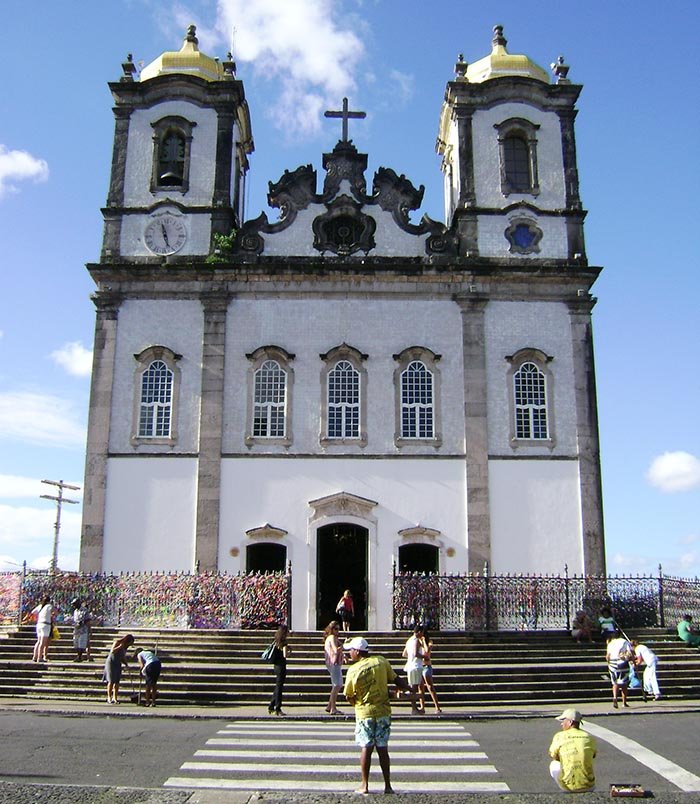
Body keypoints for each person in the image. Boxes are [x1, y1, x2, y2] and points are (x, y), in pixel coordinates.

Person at [343, 636, 410, 795]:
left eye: (351, 651)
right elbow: (396, 679)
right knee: (382, 748)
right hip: (383, 712)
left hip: (364, 713)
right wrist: (410, 689)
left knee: (366, 747)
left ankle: (365, 785)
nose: (349, 654)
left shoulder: (353, 670)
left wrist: (357, 703)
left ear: (357, 652)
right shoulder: (381, 661)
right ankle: (388, 786)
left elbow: (348, 695)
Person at [548, 707, 597, 793]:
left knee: (554, 764)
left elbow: (553, 756)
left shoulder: (559, 736)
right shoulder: (588, 737)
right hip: (589, 786)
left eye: (563, 720)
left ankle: (566, 787)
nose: (561, 724)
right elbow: (593, 755)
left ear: (570, 722)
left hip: (567, 787)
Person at [104, 633, 134, 704]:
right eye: (130, 643)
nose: (129, 645)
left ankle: (115, 698)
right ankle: (109, 697)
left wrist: (126, 664)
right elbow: (112, 651)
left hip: (118, 663)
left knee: (117, 681)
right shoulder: (117, 642)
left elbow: (123, 657)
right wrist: (119, 647)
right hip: (111, 663)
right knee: (111, 680)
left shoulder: (125, 647)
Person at [606, 630, 633, 709]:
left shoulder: (610, 643)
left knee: (615, 683)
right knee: (624, 683)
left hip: (612, 664)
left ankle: (615, 697)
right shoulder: (625, 642)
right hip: (622, 663)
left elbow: (607, 656)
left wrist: (609, 664)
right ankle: (624, 702)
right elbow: (630, 653)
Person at [23, 595, 53, 663]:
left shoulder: (39, 606)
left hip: (39, 624)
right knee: (43, 642)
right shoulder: (49, 606)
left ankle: (35, 656)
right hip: (46, 625)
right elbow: (55, 612)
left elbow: (32, 613)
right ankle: (39, 658)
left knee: (38, 641)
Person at [402, 625, 424, 714]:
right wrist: (424, 656)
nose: (422, 634)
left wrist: (410, 657)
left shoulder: (409, 640)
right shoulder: (416, 641)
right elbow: (415, 653)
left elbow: (404, 654)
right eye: (422, 632)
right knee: (414, 688)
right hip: (416, 666)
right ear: (419, 632)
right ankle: (414, 708)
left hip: (410, 666)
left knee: (412, 687)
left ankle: (414, 708)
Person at [418, 629, 442, 713]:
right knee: (420, 687)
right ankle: (422, 707)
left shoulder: (429, 642)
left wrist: (424, 641)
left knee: (430, 686)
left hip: (427, 666)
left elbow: (427, 651)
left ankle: (437, 707)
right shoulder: (417, 642)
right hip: (419, 666)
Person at [268, 625, 290, 716]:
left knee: (278, 686)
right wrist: (289, 651)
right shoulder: (284, 643)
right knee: (279, 688)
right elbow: (285, 655)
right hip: (281, 666)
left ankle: (271, 706)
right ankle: (278, 708)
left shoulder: (276, 640)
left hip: (276, 666)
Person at [323, 620, 344, 715]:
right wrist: (343, 646)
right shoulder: (332, 637)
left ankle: (329, 706)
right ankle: (333, 708)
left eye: (339, 629)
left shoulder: (330, 638)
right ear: (331, 629)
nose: (338, 631)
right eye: (336, 629)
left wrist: (344, 656)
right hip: (334, 663)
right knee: (337, 685)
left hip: (332, 663)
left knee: (336, 685)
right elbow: (336, 650)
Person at [70, 598, 92, 662]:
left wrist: (89, 630)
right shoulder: (75, 611)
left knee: (81, 644)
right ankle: (79, 656)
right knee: (76, 643)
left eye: (74, 604)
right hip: (76, 630)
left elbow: (88, 620)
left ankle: (79, 657)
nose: (73, 606)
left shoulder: (84, 610)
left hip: (83, 630)